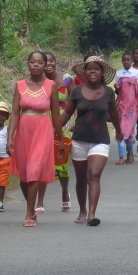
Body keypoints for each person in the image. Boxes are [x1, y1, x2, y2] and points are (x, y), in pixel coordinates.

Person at [60, 56, 123, 226]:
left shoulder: (108, 92)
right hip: (79, 140)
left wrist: (119, 131)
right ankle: (82, 211)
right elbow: (67, 113)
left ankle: (92, 215)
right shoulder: (77, 91)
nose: (92, 71)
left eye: (96, 68)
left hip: (100, 140)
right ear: (85, 72)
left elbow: (114, 115)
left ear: (102, 72)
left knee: (93, 175)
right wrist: (54, 128)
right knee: (81, 179)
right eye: (89, 68)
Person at [7, 51, 64, 227]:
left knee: (33, 171)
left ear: (46, 65)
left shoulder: (51, 85)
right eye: (33, 62)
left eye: (40, 62)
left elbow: (55, 115)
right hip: (24, 131)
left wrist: (60, 139)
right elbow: (15, 113)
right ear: (28, 64)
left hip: (43, 130)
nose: (36, 65)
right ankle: (31, 207)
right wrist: (10, 136)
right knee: (24, 175)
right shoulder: (20, 86)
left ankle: (28, 215)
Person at [44, 52, 74, 213]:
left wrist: (77, 121)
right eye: (45, 61)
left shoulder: (67, 78)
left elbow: (75, 100)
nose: (48, 63)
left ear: (56, 62)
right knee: (44, 162)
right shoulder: (39, 82)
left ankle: (64, 192)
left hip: (65, 127)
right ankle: (39, 201)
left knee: (62, 163)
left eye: (51, 60)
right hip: (44, 125)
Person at [114, 52, 138, 165]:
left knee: (130, 131)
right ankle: (121, 156)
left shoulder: (137, 73)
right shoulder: (119, 74)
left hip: (133, 107)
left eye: (128, 60)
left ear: (131, 61)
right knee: (120, 130)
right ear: (122, 61)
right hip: (122, 106)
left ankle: (129, 153)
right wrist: (116, 88)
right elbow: (118, 92)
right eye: (124, 60)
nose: (126, 62)